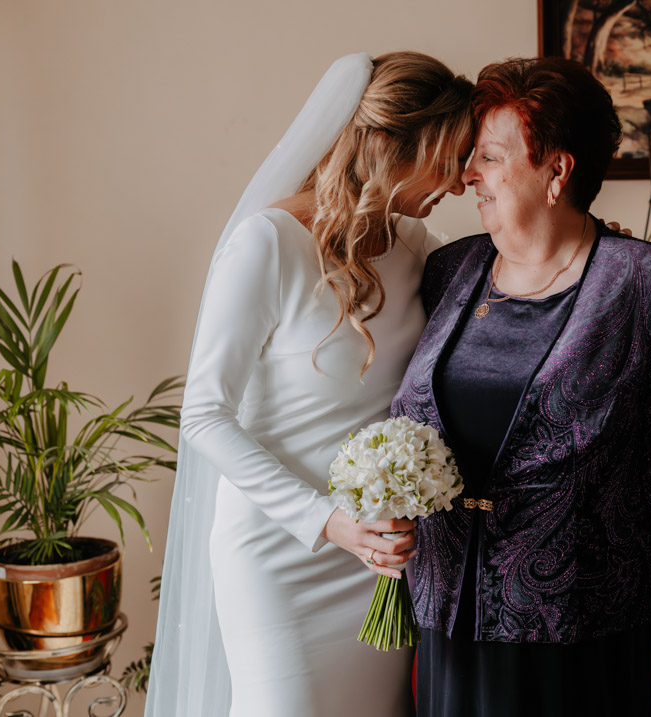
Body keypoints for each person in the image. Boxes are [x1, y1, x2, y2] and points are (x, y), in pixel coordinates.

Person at [391, 56, 651, 717]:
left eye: (489, 158)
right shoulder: (446, 271)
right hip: (448, 620)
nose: (469, 174)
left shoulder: (646, 283)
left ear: (557, 170)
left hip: (582, 631)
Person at [146, 52, 473, 717]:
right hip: (278, 551)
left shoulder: (417, 246)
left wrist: (593, 249)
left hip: (375, 555)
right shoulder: (267, 243)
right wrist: (325, 520)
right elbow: (204, 415)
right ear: (391, 147)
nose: (461, 182)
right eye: (448, 159)